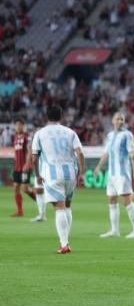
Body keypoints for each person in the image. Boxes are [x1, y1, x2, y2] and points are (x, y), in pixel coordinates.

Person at [31, 106, 85, 254]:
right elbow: (80, 153)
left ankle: (64, 244)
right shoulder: (70, 132)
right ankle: (65, 240)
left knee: (59, 208)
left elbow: (34, 158)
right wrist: (81, 173)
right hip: (71, 173)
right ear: (61, 116)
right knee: (67, 206)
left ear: (46, 117)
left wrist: (37, 174)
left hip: (53, 174)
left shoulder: (40, 134)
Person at [94, 112, 134, 238]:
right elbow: (106, 153)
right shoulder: (110, 135)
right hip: (112, 174)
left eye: (122, 119)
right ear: (112, 121)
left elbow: (132, 154)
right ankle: (114, 230)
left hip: (122, 173)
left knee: (127, 201)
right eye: (118, 119)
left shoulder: (127, 135)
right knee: (112, 200)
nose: (120, 121)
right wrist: (98, 167)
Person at [10, 118, 36, 217]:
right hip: (17, 167)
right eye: (17, 125)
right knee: (16, 187)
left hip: (25, 167)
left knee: (25, 189)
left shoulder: (27, 137)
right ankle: (20, 211)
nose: (18, 127)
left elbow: (29, 151)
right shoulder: (15, 137)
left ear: (23, 126)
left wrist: (27, 164)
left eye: (20, 125)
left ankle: (39, 200)